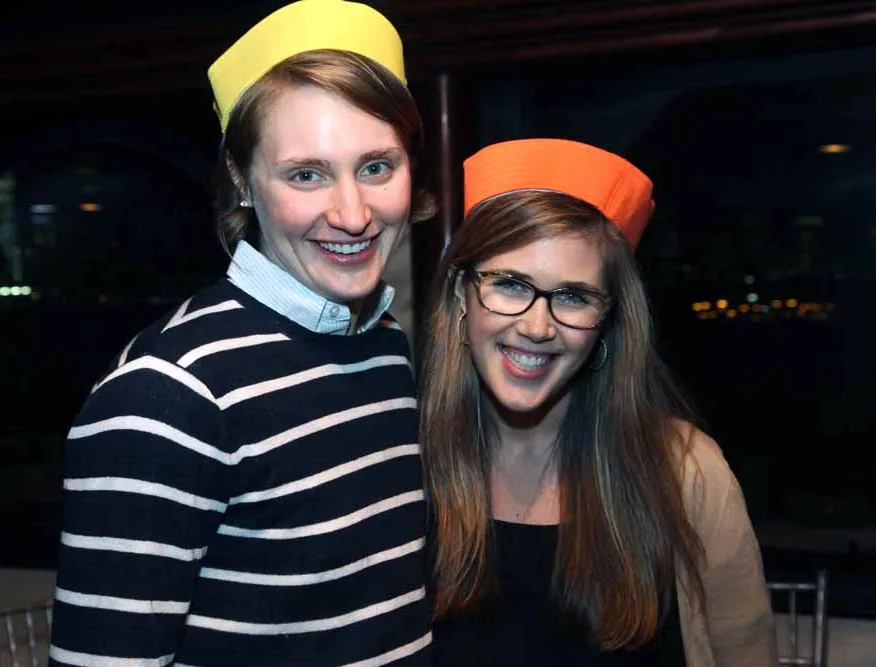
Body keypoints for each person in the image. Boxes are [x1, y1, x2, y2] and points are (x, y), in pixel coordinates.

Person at [48, 1, 436, 664]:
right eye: (306, 174)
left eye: (376, 166)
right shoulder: (168, 396)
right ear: (242, 181)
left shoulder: (384, 345)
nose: (353, 214)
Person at [420, 138, 776, 666]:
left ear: (607, 318)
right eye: (511, 285)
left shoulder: (686, 472)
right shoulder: (397, 463)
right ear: (460, 294)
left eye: (573, 296)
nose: (537, 326)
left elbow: (744, 652)